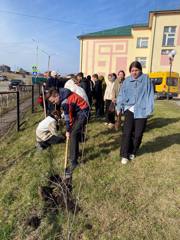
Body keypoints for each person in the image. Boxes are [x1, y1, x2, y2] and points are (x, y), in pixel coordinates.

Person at [116, 61, 154, 164]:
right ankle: (124, 155)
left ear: (140, 70)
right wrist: (119, 106)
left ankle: (133, 151)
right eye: (132, 70)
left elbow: (150, 94)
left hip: (141, 110)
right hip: (129, 109)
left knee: (138, 134)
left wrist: (149, 109)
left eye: (136, 70)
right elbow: (121, 95)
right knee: (127, 133)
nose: (134, 72)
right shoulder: (127, 81)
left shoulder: (146, 80)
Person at [47, 88, 90, 172]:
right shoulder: (63, 95)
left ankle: (74, 162)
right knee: (74, 134)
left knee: (73, 134)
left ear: (56, 95)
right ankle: (74, 154)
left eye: (53, 101)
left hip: (84, 113)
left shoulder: (65, 102)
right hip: (77, 113)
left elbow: (68, 118)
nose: (54, 103)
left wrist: (67, 130)